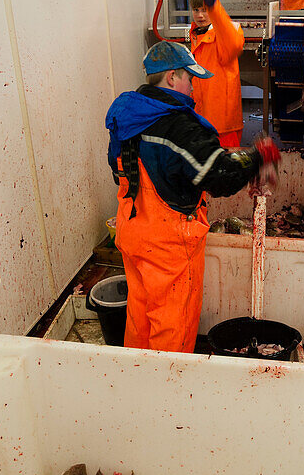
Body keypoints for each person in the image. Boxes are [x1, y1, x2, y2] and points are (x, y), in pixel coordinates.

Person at [105, 41, 280, 354]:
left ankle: (135, 384)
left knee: (140, 317)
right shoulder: (178, 125)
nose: (193, 88)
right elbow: (217, 177)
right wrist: (258, 156)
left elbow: (117, 168)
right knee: (172, 324)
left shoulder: (127, 114)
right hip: (168, 245)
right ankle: (169, 394)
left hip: (133, 232)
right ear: (172, 77)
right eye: (190, 79)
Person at [189, 0, 244, 148]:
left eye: (205, 10)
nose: (200, 15)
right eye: (196, 10)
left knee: (228, 169)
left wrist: (215, 7)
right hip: (202, 118)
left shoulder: (225, 34)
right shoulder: (197, 34)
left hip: (223, 124)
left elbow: (233, 41)